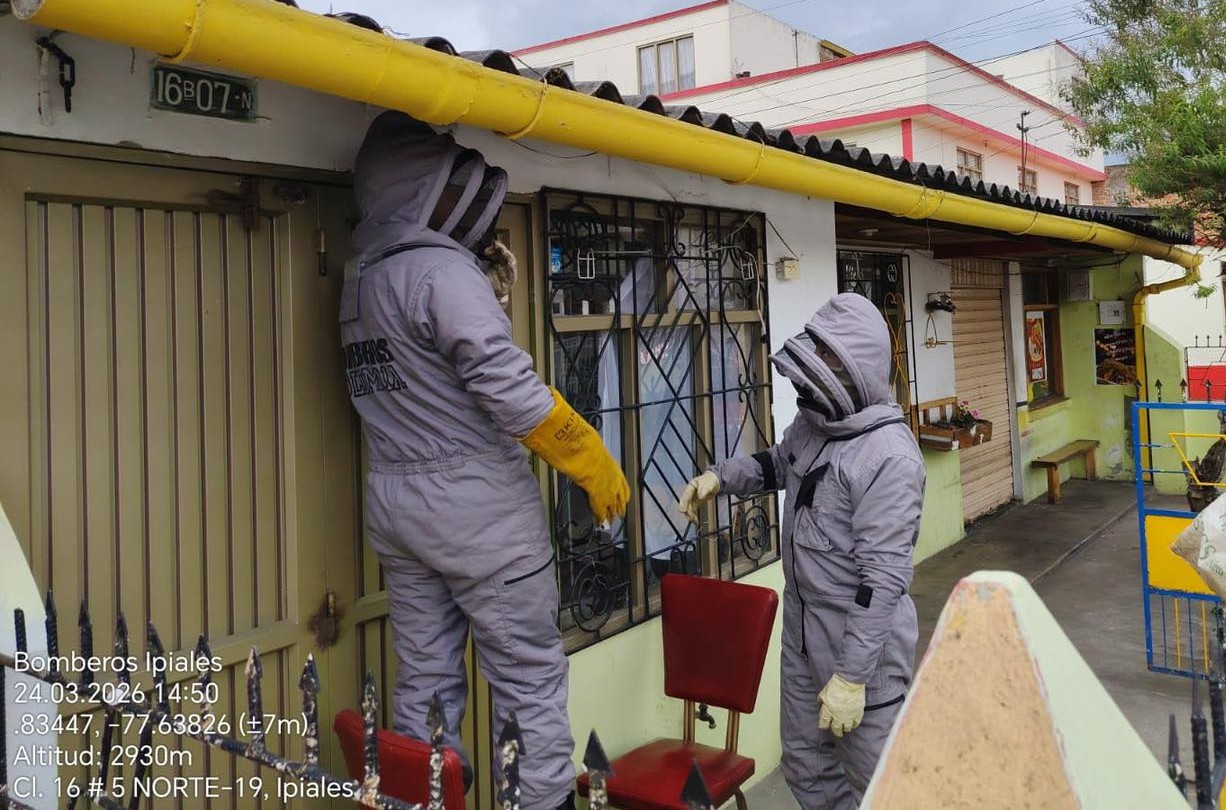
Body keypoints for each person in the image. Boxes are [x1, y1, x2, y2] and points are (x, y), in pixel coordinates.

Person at [340, 110, 629, 810]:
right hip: (479, 513)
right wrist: (589, 456)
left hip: (397, 509)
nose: (458, 203)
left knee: (425, 681)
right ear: (413, 190)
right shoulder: (440, 271)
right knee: (528, 681)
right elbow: (506, 384)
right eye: (445, 187)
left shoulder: (359, 281)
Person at [678, 293, 925, 810]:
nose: (817, 372)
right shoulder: (813, 426)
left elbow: (881, 582)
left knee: (884, 787)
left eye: (832, 359)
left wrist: (853, 677)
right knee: (807, 769)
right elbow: (776, 464)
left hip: (863, 653)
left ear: (860, 365)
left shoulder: (889, 458)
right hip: (803, 636)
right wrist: (718, 479)